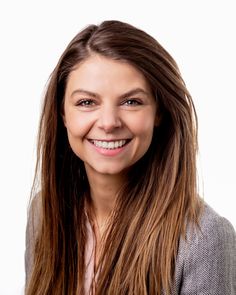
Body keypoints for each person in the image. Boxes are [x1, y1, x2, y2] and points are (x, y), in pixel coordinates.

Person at [25, 20, 236, 295]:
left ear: (159, 113)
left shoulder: (204, 238)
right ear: (62, 114)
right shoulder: (44, 212)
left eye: (131, 102)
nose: (109, 122)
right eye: (87, 102)